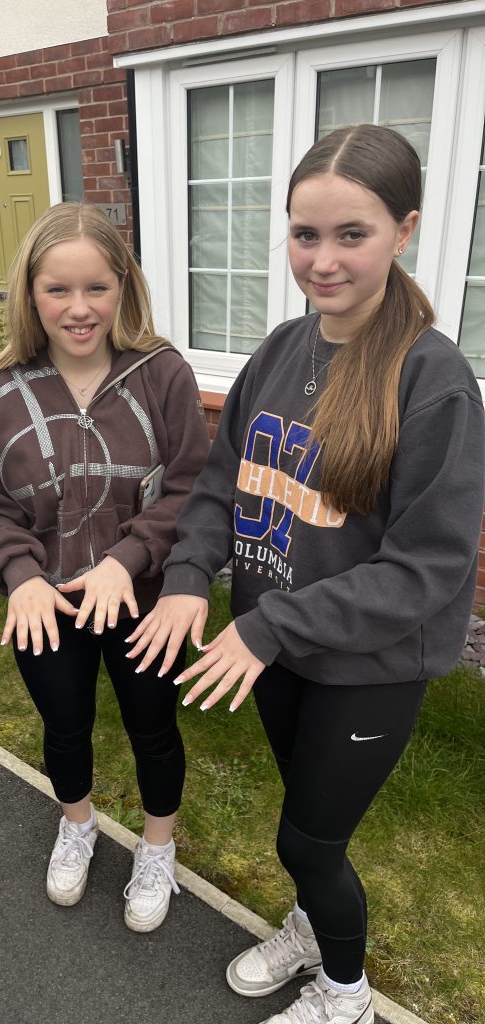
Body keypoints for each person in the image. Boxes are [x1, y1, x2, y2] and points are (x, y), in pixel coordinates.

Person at [126, 124, 485, 1024]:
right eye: (304, 233)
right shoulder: (283, 348)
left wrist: (265, 626)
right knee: (308, 823)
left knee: (310, 841)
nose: (322, 261)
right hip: (277, 651)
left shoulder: (433, 380)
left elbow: (427, 569)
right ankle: (315, 928)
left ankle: (347, 995)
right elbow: (221, 484)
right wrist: (188, 577)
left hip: (365, 665)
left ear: (404, 230)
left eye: (351, 234)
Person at [0, 202, 209, 932]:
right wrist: (20, 575)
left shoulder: (162, 374)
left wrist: (129, 558)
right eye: (57, 289)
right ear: (29, 294)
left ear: (124, 286)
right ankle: (78, 824)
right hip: (49, 605)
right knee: (65, 727)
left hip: (144, 599)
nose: (79, 308)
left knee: (153, 727)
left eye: (97, 287)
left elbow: (191, 487)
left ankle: (157, 848)